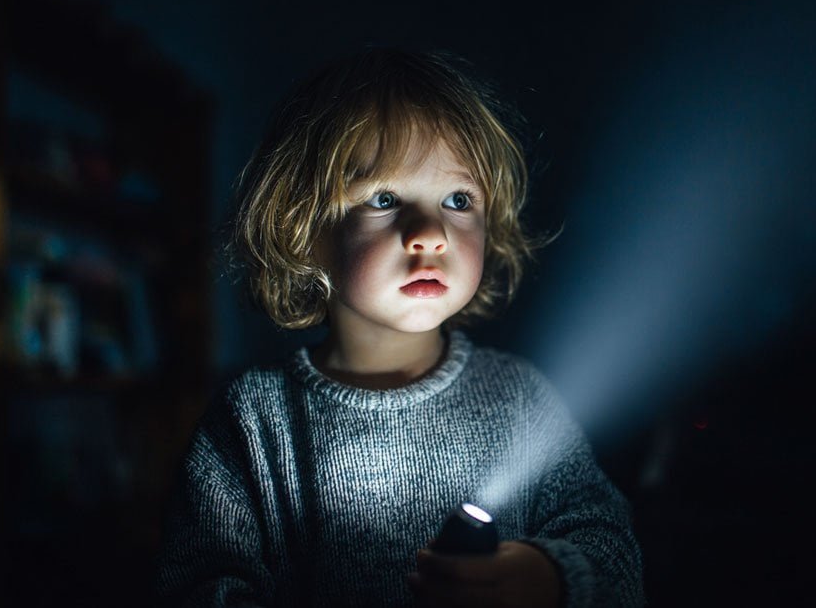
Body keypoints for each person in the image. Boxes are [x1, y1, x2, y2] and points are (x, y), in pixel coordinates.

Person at [155, 48, 644, 607]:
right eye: (385, 199)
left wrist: (553, 578)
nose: (430, 233)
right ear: (305, 230)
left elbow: (615, 554)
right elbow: (198, 587)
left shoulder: (520, 399)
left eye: (458, 200)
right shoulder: (251, 419)